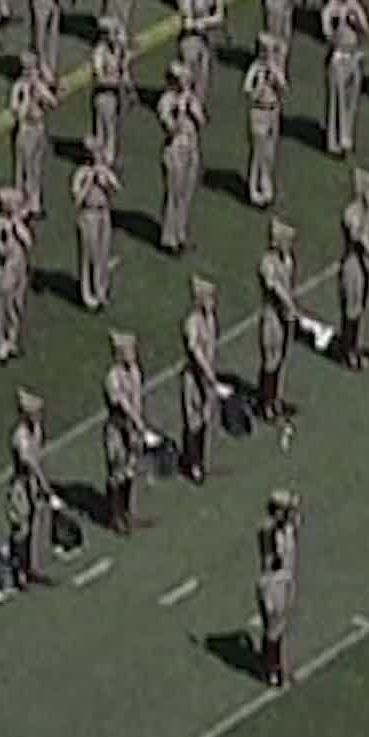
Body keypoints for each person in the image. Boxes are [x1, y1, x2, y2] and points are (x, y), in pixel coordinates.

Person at [102, 331, 157, 535]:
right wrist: (138, 424)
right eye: (128, 351)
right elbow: (122, 405)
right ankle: (115, 516)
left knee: (129, 471)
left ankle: (126, 513)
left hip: (132, 428)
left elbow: (137, 400)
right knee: (117, 472)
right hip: (118, 429)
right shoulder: (112, 378)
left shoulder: (135, 371)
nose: (133, 354)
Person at [7, 389, 60, 590]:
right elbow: (30, 464)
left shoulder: (36, 429)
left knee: (30, 527)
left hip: (32, 484)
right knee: (20, 529)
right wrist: (45, 487)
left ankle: (28, 567)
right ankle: (17, 571)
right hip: (21, 486)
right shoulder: (20, 436)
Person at [180, 276, 229, 484]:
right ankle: (192, 463)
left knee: (205, 418)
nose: (212, 302)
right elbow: (195, 351)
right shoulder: (192, 322)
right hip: (195, 376)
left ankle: (199, 459)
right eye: (208, 298)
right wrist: (210, 376)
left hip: (207, 376)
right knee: (193, 421)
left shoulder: (211, 318)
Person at [338, 168, 369, 370]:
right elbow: (360, 239)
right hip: (353, 265)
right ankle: (348, 352)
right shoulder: (353, 213)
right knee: (352, 308)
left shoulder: (366, 210)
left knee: (359, 308)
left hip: (363, 264)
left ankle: (353, 347)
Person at [256, 219, 302, 421]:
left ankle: (275, 398)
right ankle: (264, 402)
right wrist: (290, 306)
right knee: (270, 359)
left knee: (281, 358)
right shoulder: (267, 263)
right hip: (272, 316)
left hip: (284, 316)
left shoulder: (288, 259)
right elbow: (275, 287)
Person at [321, 0, 369, 158]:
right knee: (338, 99)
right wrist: (337, 22)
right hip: (339, 55)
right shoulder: (331, 9)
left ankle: (347, 136)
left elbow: (366, 30)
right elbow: (327, 34)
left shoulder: (355, 7)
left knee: (351, 99)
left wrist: (355, 19)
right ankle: (334, 141)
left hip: (354, 55)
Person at [255, 489, 300, 687]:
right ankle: (271, 669)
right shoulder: (270, 531)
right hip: (273, 580)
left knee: (281, 626)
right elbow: (271, 559)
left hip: (286, 578)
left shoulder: (287, 527)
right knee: (273, 626)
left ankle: (278, 665)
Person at [158, 64, 204, 256]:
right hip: (175, 149)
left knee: (186, 192)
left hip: (191, 146)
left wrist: (192, 107)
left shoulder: (190, 98)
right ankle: (169, 237)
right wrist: (179, 111)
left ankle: (181, 233)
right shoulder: (166, 101)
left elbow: (201, 121)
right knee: (174, 194)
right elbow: (170, 127)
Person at [72, 138, 120, 312]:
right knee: (89, 254)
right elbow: (77, 200)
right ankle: (88, 295)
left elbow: (116, 188)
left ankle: (101, 290)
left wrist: (105, 178)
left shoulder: (104, 172)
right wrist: (89, 182)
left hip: (103, 213)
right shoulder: (81, 174)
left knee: (103, 252)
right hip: (88, 214)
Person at [0, 188, 34, 363]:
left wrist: (18, 225)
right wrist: (8, 232)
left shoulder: (18, 223)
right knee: (2, 306)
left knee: (16, 303)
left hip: (19, 266)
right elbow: (0, 249)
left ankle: (12, 339)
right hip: (5, 268)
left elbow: (28, 242)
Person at [10, 53, 57, 220]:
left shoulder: (39, 85)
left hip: (39, 127)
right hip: (25, 129)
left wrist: (41, 94)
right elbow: (17, 112)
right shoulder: (19, 88)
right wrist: (28, 97)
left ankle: (35, 203)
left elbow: (53, 103)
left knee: (35, 167)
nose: (32, 71)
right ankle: (21, 204)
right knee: (23, 168)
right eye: (29, 68)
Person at [244, 33, 288, 208]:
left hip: (273, 110)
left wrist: (274, 74)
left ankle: (266, 185)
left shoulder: (274, 68)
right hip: (259, 111)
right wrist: (261, 84)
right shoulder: (255, 69)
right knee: (258, 152)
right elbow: (248, 91)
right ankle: (254, 188)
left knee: (270, 151)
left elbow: (284, 87)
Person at [176, 0, 225, 105]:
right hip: (191, 39)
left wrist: (203, 23)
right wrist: (206, 22)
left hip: (206, 36)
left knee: (203, 75)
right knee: (188, 75)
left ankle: (198, 106)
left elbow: (220, 15)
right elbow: (187, 23)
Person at [91, 18, 132, 168]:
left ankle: (110, 157)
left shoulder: (119, 51)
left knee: (112, 127)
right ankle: (101, 157)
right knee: (102, 127)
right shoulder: (100, 52)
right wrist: (117, 81)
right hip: (104, 94)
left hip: (115, 94)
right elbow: (99, 78)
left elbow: (124, 71)